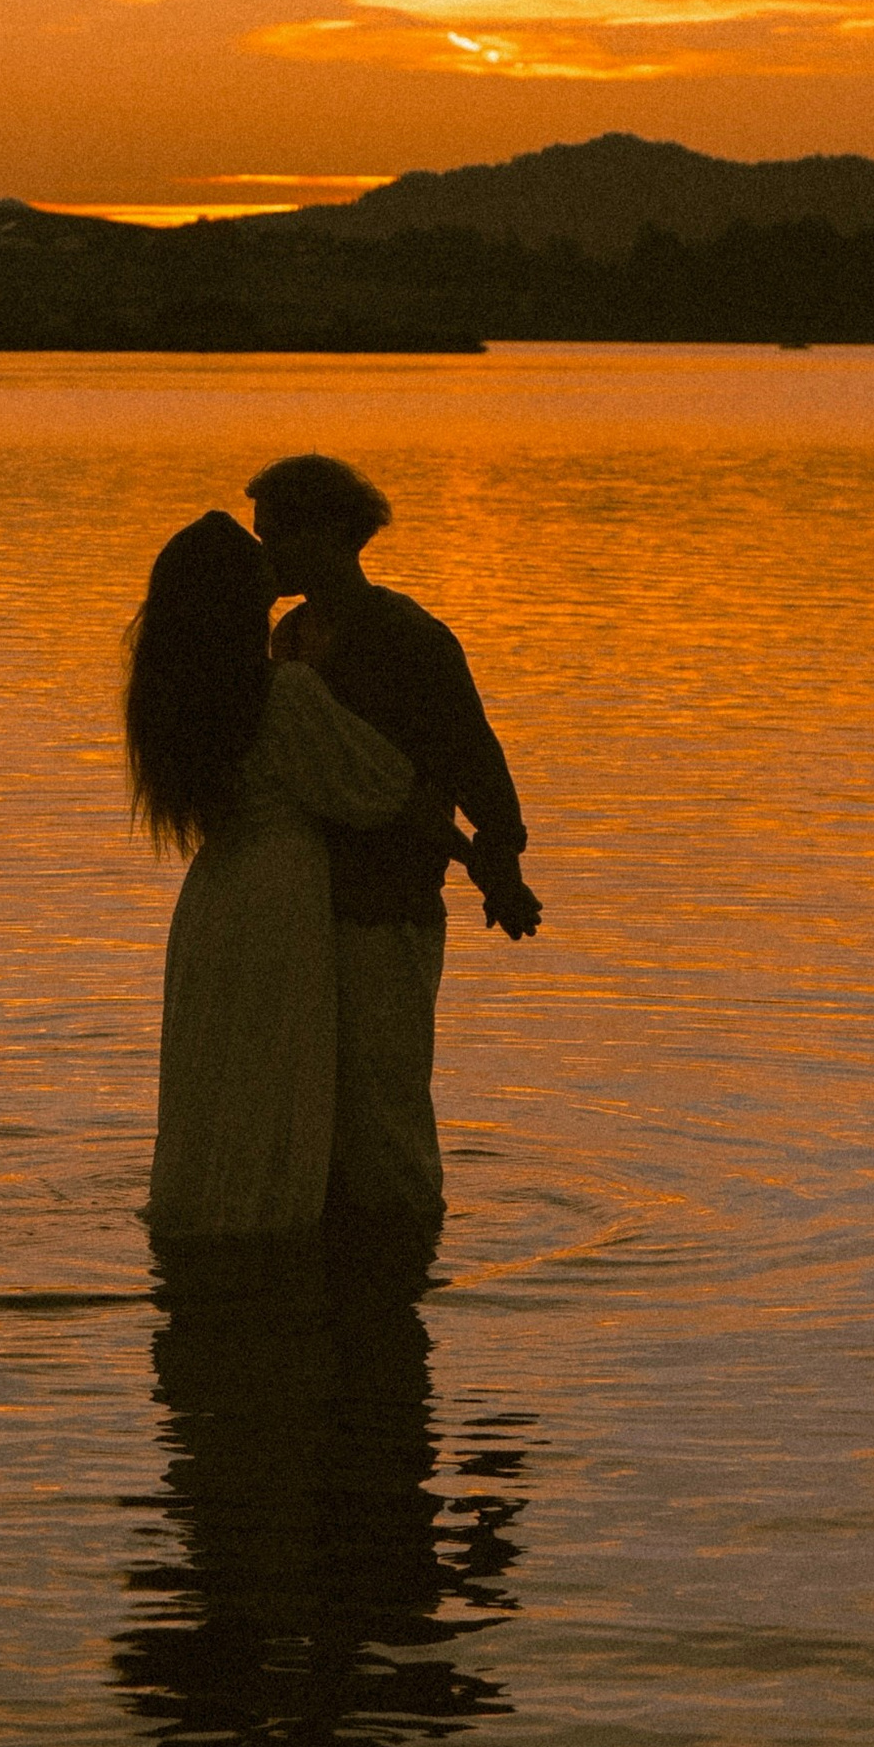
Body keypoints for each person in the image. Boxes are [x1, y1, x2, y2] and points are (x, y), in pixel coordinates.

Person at [248, 454, 539, 1258]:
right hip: (309, 902)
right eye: (261, 535)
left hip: (390, 899)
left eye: (280, 535)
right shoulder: (290, 634)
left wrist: (500, 862)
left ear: (336, 534)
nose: (266, 552)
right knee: (325, 1105)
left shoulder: (407, 636)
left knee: (386, 1099)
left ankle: (406, 1259)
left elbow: (474, 757)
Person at [128, 511, 427, 1238]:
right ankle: (268, 1227)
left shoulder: (177, 703)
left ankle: (210, 1224)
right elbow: (381, 786)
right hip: (277, 901)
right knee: (271, 1078)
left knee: (216, 1079)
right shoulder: (284, 694)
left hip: (213, 902)